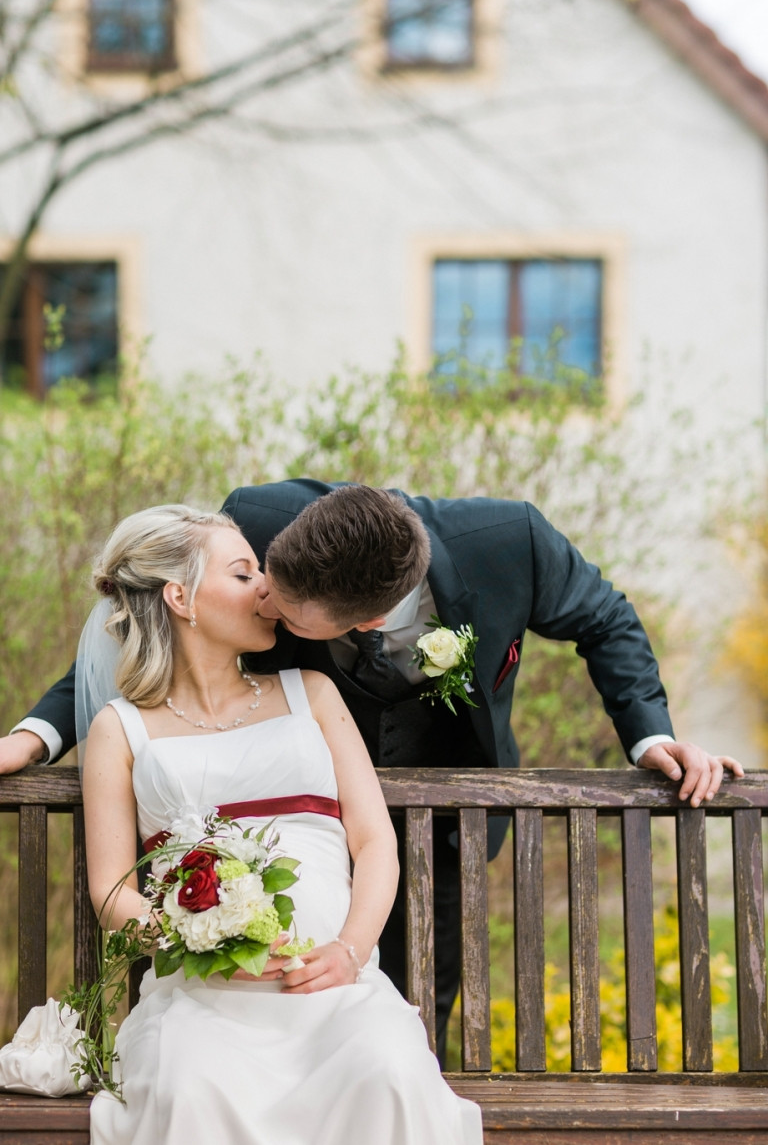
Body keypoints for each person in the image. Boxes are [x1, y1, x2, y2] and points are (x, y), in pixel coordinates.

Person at [0, 480, 744, 1062]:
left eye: (283, 611)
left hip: (444, 836)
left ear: (358, 622)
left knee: (411, 1026)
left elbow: (605, 619)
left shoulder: (510, 541)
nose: (261, 596)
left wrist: (652, 738)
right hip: (290, 824)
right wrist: (35, 736)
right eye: (256, 579)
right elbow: (142, 629)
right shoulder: (259, 528)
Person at [80, 504, 482, 1145]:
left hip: (332, 993)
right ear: (180, 597)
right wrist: (202, 943)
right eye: (243, 575)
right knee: (193, 1090)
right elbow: (110, 891)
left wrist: (350, 953)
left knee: (388, 1075)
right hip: (202, 1000)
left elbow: (375, 842)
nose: (266, 589)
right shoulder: (119, 729)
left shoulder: (311, 693)